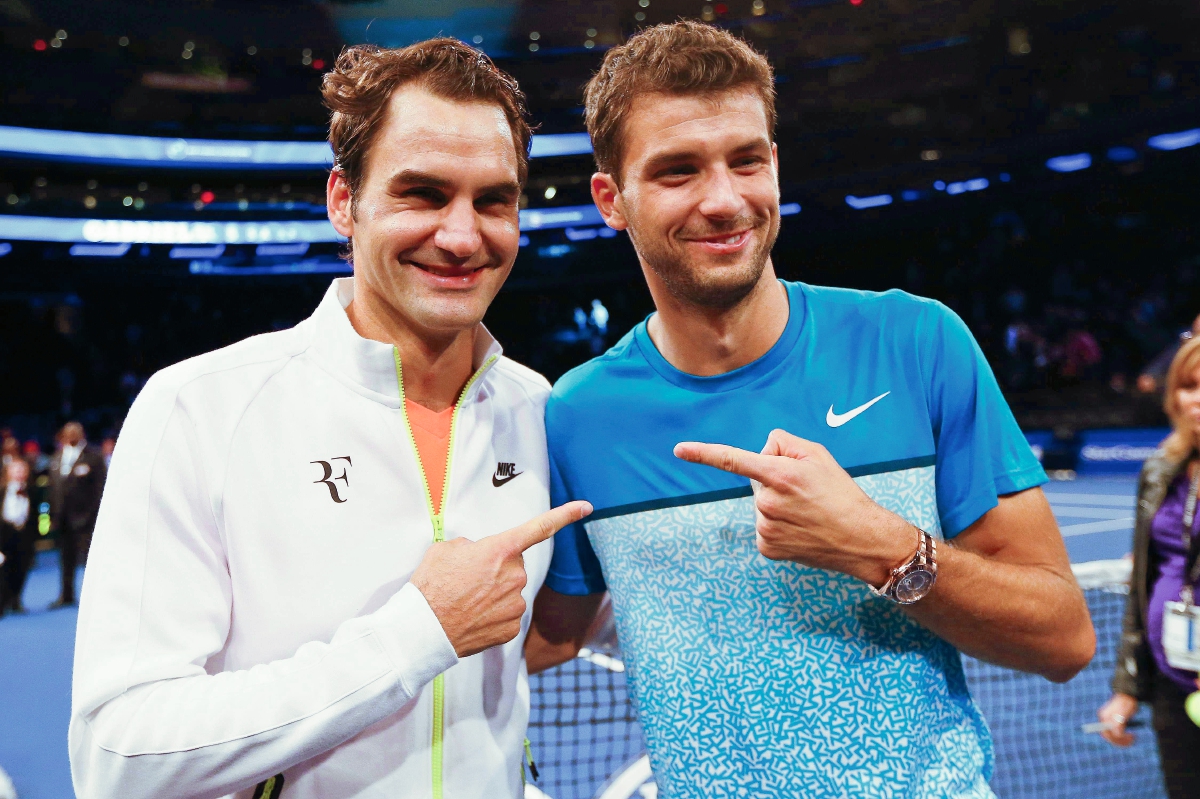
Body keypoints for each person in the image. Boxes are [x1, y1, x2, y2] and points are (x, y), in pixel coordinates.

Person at [526, 21, 1094, 798]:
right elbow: (542, 636)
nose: (723, 199)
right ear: (609, 199)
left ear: (775, 167)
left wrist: (883, 547)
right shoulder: (577, 416)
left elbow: (1064, 636)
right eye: (677, 171)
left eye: (746, 160)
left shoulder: (917, 341)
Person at [69, 39, 590, 799]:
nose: (461, 234)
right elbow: (117, 756)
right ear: (344, 201)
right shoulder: (199, 408)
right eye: (423, 192)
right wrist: (415, 633)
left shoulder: (539, 408)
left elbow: (544, 645)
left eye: (492, 200)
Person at [1098, 335, 1200, 799]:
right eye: (1188, 386)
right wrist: (1128, 685)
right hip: (1171, 680)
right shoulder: (1161, 469)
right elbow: (1144, 587)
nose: (1196, 399)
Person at [47, 422, 106, 608]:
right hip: (62, 520)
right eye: (67, 433)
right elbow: (52, 488)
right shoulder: (57, 457)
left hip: (86, 520)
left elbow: (100, 489)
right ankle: (66, 595)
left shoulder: (94, 457)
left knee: (91, 561)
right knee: (66, 560)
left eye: (75, 432)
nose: (71, 435)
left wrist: (93, 516)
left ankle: (97, 597)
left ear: (82, 434)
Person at [0, 458, 36, 616]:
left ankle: (16, 600)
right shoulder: (2, 491)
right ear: (8, 472)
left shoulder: (33, 491)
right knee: (4, 571)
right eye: (15, 470)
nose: (19, 473)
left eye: (22, 470)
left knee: (21, 569)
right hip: (4, 536)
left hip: (24, 536)